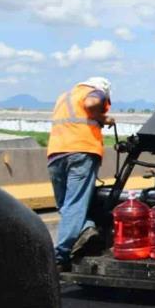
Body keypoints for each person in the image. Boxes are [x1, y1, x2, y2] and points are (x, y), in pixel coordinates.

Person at [47, 77, 114, 271]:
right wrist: (103, 119)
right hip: (81, 153)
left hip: (56, 153)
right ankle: (61, 254)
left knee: (65, 205)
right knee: (75, 204)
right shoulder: (96, 92)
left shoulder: (64, 96)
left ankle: (86, 229)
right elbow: (92, 104)